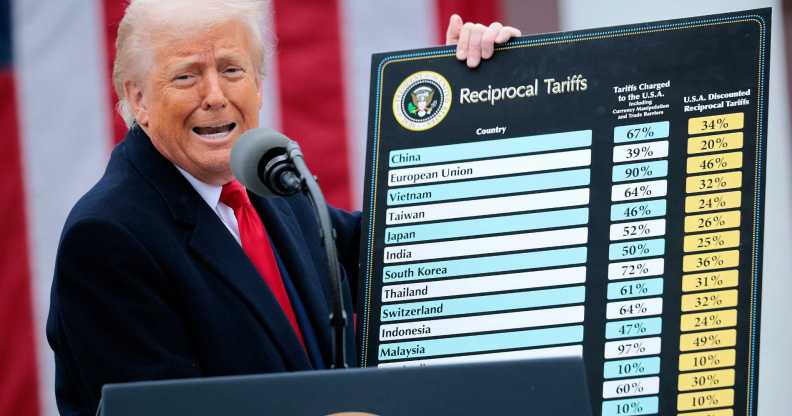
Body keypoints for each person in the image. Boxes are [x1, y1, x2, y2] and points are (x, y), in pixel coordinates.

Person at [46, 1, 522, 414]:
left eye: (232, 69)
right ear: (138, 97)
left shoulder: (269, 181)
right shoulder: (108, 239)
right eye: (186, 75)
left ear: (258, 82)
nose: (214, 96)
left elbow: (399, 257)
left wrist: (471, 99)